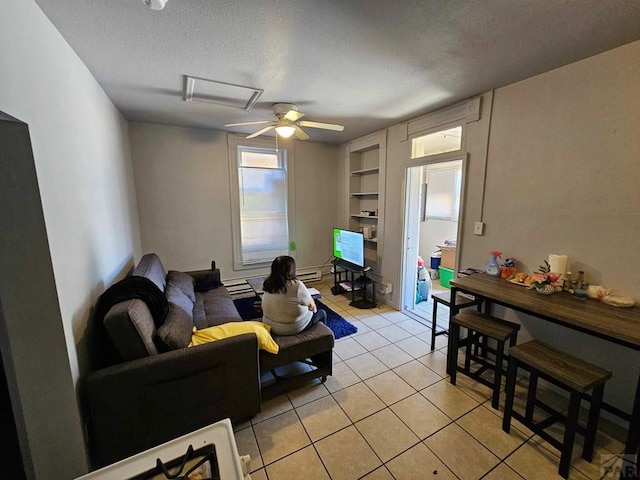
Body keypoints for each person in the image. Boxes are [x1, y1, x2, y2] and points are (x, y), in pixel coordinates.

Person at [261, 256, 326, 335]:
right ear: (291, 270)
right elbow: (312, 306)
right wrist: (312, 304)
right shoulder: (297, 285)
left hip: (270, 325)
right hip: (292, 328)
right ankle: (322, 336)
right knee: (322, 313)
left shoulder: (268, 283)